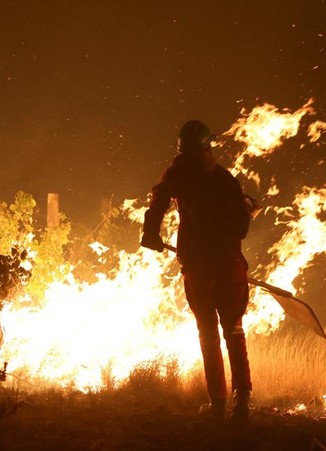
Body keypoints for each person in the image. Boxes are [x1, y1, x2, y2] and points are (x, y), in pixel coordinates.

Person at [140, 119, 256, 423]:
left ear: (181, 149)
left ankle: (218, 403)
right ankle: (242, 401)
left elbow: (159, 201)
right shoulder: (225, 179)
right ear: (208, 146)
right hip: (230, 265)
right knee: (234, 331)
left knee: (208, 332)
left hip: (198, 265)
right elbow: (241, 227)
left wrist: (151, 232)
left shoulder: (177, 174)